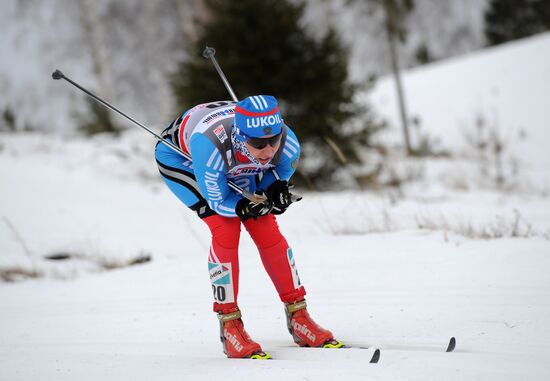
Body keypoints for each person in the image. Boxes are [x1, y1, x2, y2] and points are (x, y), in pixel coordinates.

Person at [155, 95, 342, 359]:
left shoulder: (287, 145)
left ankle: (299, 316)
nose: (267, 151)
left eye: (272, 141)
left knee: (265, 226)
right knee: (225, 227)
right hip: (182, 159)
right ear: (241, 137)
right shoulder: (207, 147)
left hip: (233, 158)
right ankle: (230, 325)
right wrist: (242, 207)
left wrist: (276, 190)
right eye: (258, 143)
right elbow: (219, 200)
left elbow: (273, 178)